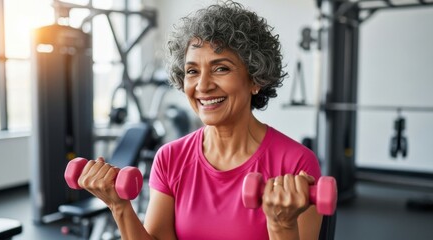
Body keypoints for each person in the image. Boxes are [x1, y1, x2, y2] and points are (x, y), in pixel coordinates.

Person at [78, 1, 323, 239]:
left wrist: (282, 225)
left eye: (221, 68)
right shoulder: (170, 158)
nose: (203, 86)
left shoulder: (296, 164)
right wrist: (119, 207)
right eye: (192, 71)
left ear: (255, 79)